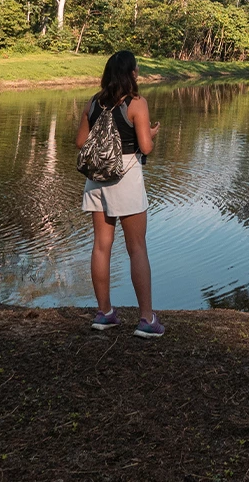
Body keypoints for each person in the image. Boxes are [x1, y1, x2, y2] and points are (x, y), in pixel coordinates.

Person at [76, 51, 163, 337]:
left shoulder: (93, 102)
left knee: (101, 245)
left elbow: (80, 142)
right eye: (137, 70)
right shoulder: (136, 103)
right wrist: (149, 133)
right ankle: (147, 320)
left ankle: (104, 313)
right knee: (137, 247)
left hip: (97, 179)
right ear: (131, 74)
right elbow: (145, 147)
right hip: (125, 176)